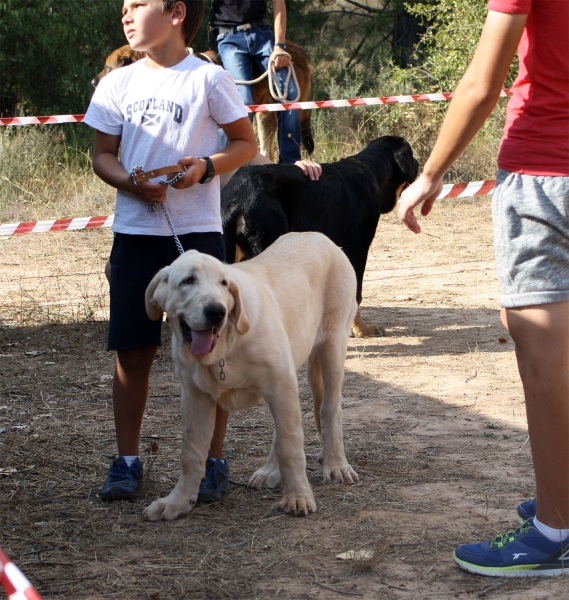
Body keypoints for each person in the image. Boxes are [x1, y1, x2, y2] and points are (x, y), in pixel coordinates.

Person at [398, 0, 569, 577]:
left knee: (544, 353)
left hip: (546, 170)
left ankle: (555, 531)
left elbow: (481, 82)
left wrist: (430, 171)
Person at [83, 0, 258, 502]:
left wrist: (204, 167)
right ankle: (127, 461)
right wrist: (131, 184)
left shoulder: (208, 79)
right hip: (136, 236)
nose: (126, 13)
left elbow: (243, 143)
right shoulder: (118, 83)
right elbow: (102, 155)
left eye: (139, 4)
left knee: (212, 351)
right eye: (122, 6)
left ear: (177, 11)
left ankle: (213, 462)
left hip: (199, 239)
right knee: (133, 352)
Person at [210, 0, 302, 164]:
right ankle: (231, 165)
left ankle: (291, 164)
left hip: (263, 35)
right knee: (241, 101)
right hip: (229, 38)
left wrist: (280, 45)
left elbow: (278, 2)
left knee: (289, 94)